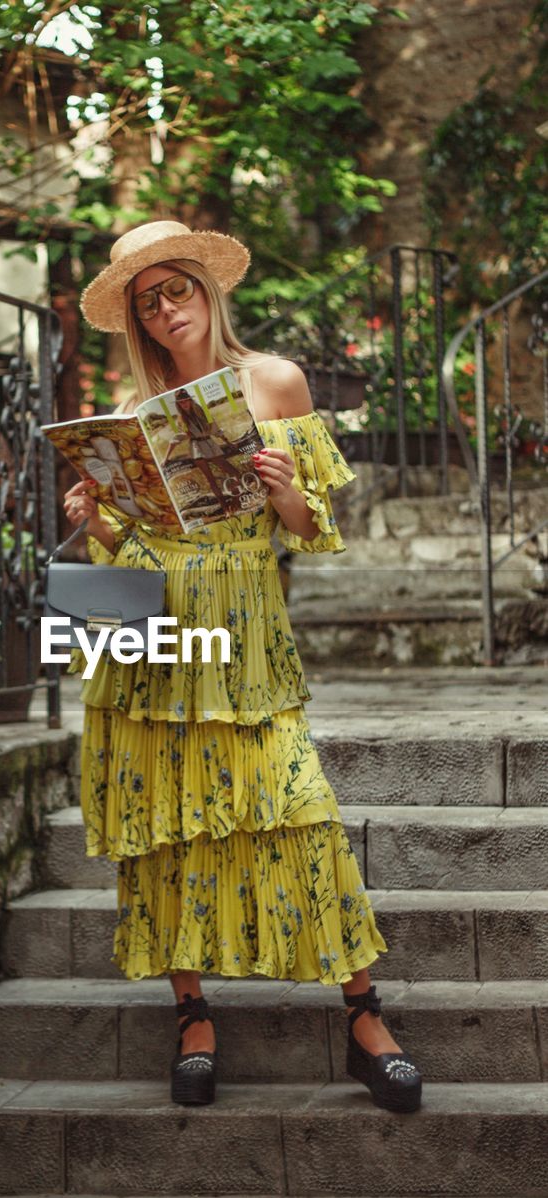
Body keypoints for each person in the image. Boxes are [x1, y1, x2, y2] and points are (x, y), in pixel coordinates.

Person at [62, 219, 423, 1113]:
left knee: (301, 812)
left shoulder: (273, 381)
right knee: (164, 828)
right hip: (148, 628)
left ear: (205, 289)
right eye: (146, 303)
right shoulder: (133, 403)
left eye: (174, 290)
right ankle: (190, 1019)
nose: (164, 311)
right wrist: (96, 521)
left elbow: (314, 531)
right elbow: (125, 546)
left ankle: (365, 1017)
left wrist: (283, 490)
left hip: (244, 624)